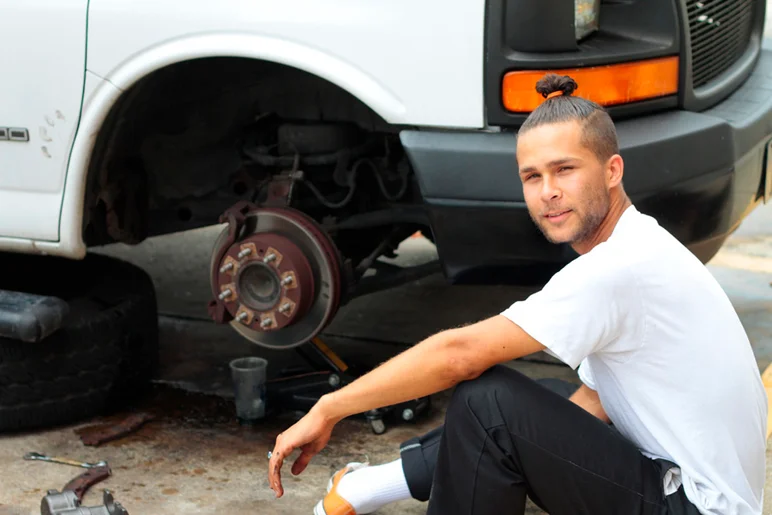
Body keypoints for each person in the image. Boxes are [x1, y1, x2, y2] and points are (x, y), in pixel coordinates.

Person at [267, 74, 768, 515]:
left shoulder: (616, 269)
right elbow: (595, 400)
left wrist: (330, 407)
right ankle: (365, 487)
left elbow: (459, 354)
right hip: (699, 493)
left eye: (565, 169)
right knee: (541, 401)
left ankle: (365, 486)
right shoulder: (640, 241)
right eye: (533, 176)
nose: (547, 191)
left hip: (696, 507)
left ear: (612, 171)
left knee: (489, 404)